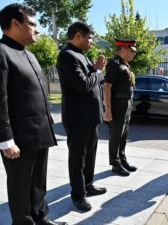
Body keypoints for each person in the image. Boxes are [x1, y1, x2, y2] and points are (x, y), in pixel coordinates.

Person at [0, 3, 68, 225]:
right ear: (14, 23)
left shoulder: (29, 54)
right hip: (18, 137)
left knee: (38, 181)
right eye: (32, 24)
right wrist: (5, 140)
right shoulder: (2, 52)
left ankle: (41, 217)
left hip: (39, 132)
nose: (36, 30)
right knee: (20, 186)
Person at [56, 21, 107, 212]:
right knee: (78, 157)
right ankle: (78, 195)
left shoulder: (81, 56)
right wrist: (99, 71)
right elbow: (84, 85)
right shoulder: (67, 56)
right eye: (89, 37)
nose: (91, 41)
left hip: (91, 117)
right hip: (78, 118)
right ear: (77, 35)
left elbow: (89, 80)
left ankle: (88, 185)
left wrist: (94, 69)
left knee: (91, 153)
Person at [103, 38, 138, 176]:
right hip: (117, 105)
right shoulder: (114, 64)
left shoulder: (125, 64)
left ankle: (122, 159)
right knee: (115, 135)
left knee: (123, 134)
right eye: (131, 51)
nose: (134, 54)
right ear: (123, 50)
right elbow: (106, 87)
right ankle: (115, 163)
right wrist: (108, 110)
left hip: (126, 104)